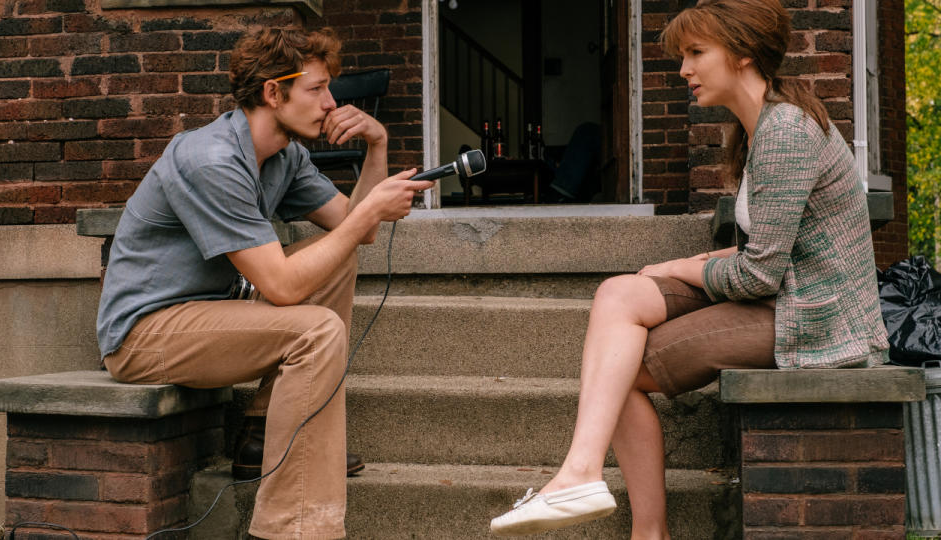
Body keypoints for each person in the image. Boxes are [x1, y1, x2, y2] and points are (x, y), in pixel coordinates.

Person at [489, 0, 890, 537]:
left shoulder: (786, 132)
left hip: (816, 318)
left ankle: (634, 523)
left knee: (620, 373)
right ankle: (579, 474)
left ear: (744, 54)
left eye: (697, 53)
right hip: (788, 291)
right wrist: (700, 263)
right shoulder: (761, 126)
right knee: (619, 293)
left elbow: (760, 276)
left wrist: (683, 265)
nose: (684, 70)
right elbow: (774, 249)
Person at [95, 27, 432, 539]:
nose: (331, 102)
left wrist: (377, 144)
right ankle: (289, 529)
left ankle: (259, 434)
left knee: (334, 258)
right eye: (316, 89)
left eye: (328, 89)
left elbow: (351, 227)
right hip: (145, 334)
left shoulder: (284, 157)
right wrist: (369, 216)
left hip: (213, 314)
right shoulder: (210, 159)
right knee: (316, 330)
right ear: (274, 93)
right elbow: (283, 287)